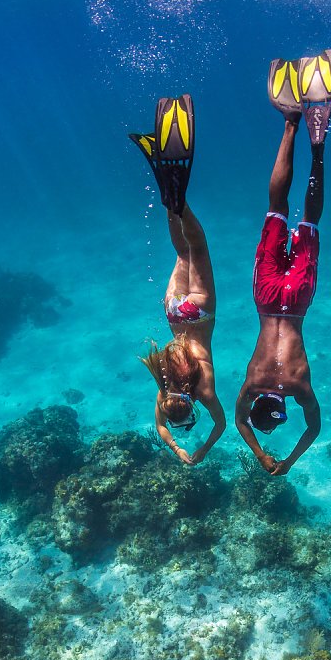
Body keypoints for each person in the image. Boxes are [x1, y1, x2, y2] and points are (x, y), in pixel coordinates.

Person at [235, 51, 331, 476]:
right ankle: (291, 123)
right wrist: (260, 454)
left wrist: (287, 461)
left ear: (279, 407)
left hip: (295, 303)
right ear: (261, 401)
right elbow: (239, 421)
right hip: (266, 297)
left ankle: (318, 146)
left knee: (309, 218)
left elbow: (315, 427)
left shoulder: (299, 386)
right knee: (277, 206)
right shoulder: (251, 385)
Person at [129, 95, 225, 465]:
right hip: (173, 312)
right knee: (181, 251)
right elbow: (160, 428)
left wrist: (198, 451)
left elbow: (221, 426)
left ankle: (178, 197)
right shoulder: (163, 389)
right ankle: (170, 199)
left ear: (190, 407)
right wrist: (176, 447)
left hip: (198, 314)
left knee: (197, 248)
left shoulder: (203, 392)